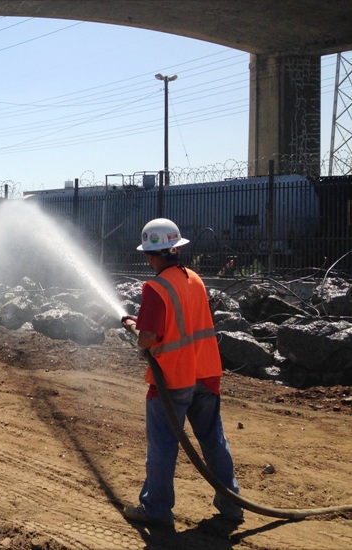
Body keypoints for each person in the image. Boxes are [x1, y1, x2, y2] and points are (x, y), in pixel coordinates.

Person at [120, 217, 243, 528]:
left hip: (173, 379)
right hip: (206, 373)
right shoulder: (194, 279)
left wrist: (134, 327)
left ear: (152, 254)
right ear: (175, 248)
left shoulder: (155, 288)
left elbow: (148, 339)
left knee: (163, 445)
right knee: (213, 441)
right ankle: (232, 506)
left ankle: (156, 510)